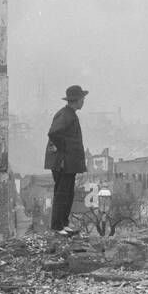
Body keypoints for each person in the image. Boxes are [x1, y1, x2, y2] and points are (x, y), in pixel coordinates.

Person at [44, 85, 88, 234]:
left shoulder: (69, 114)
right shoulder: (66, 115)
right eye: (83, 99)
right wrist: (63, 149)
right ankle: (57, 226)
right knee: (62, 193)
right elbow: (54, 133)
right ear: (77, 100)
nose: (84, 101)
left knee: (68, 193)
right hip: (63, 163)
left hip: (68, 163)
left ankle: (63, 223)